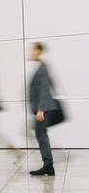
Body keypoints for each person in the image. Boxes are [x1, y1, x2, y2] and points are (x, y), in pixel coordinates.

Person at [28, 42, 62, 176]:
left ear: (40, 51)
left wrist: (41, 109)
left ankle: (48, 165)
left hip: (44, 109)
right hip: (44, 108)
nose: (31, 52)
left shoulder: (42, 68)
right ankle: (48, 164)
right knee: (40, 134)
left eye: (33, 50)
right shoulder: (42, 67)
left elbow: (44, 90)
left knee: (41, 134)